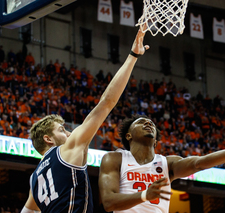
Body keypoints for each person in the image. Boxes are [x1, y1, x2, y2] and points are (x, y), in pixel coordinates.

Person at [20, 26, 150, 213]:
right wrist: (132, 56)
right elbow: (106, 102)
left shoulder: (35, 180)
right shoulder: (69, 148)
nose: (69, 132)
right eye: (62, 130)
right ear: (48, 139)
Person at [99, 114, 225, 213]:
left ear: (156, 141)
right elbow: (108, 202)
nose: (148, 123)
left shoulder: (167, 163)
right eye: (141, 122)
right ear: (128, 136)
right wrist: (145, 195)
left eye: (151, 122)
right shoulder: (115, 159)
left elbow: (200, 163)